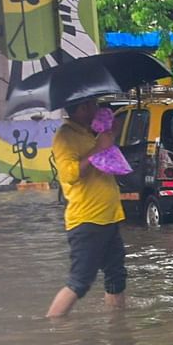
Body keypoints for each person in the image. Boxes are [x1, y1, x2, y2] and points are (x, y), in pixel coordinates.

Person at [46, 97, 127, 317]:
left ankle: (117, 326)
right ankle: (51, 327)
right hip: (88, 220)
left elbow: (105, 158)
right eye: (93, 105)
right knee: (79, 282)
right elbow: (69, 175)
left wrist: (110, 135)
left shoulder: (89, 132)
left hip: (108, 217)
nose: (98, 109)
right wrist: (98, 148)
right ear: (82, 108)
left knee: (116, 277)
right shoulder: (65, 137)